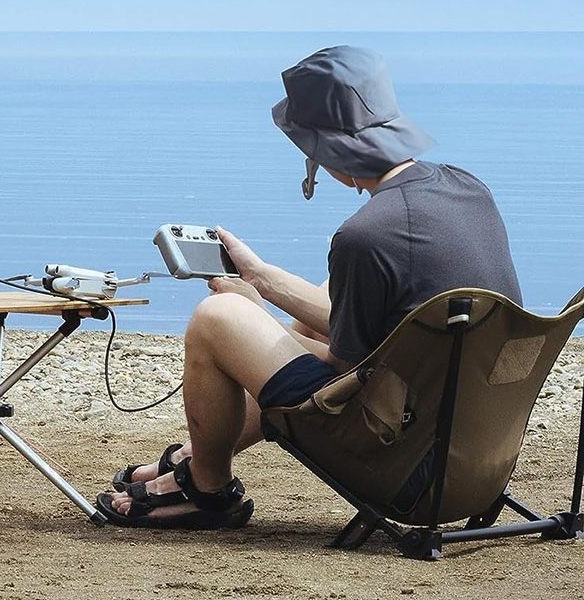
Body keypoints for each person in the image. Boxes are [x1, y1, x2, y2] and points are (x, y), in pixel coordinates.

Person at [95, 46, 522, 529]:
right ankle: (194, 457)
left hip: (404, 472)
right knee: (320, 300)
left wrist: (255, 319)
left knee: (218, 320)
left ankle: (206, 488)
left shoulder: (365, 236)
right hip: (477, 464)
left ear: (326, 149)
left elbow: (344, 368)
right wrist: (261, 279)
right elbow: (381, 328)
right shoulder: (467, 190)